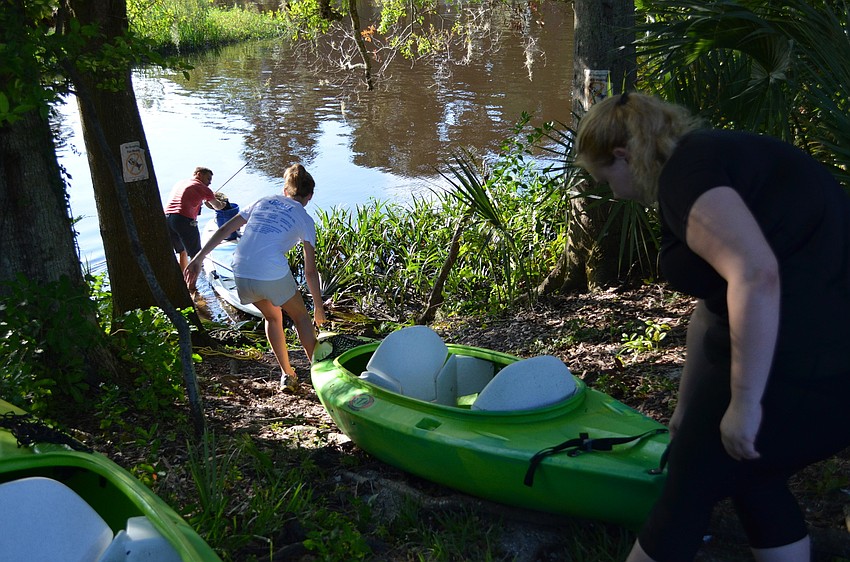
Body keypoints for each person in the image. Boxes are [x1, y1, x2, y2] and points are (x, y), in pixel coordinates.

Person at [574, 92, 850, 562]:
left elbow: (754, 275)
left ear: (624, 155)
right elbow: (714, 303)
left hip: (808, 356)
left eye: (605, 178)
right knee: (753, 476)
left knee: (687, 491)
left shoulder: (689, 178)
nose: (614, 192)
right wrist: (687, 403)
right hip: (806, 343)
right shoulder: (702, 163)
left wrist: (745, 404)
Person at [184, 164, 326, 392]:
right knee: (301, 317)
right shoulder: (305, 219)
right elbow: (310, 271)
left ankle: (287, 375)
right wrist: (318, 308)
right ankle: (322, 377)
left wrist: (199, 258)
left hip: (240, 269)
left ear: (285, 190)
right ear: (309, 196)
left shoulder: (264, 200)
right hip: (269, 271)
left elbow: (223, 231)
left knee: (272, 317)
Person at [164, 166, 227, 284]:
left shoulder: (181, 183)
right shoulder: (202, 187)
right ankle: (192, 287)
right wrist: (223, 204)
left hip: (168, 219)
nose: (209, 183)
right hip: (184, 220)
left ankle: (183, 282)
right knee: (196, 256)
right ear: (199, 174)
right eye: (208, 179)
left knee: (182, 252)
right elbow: (217, 206)